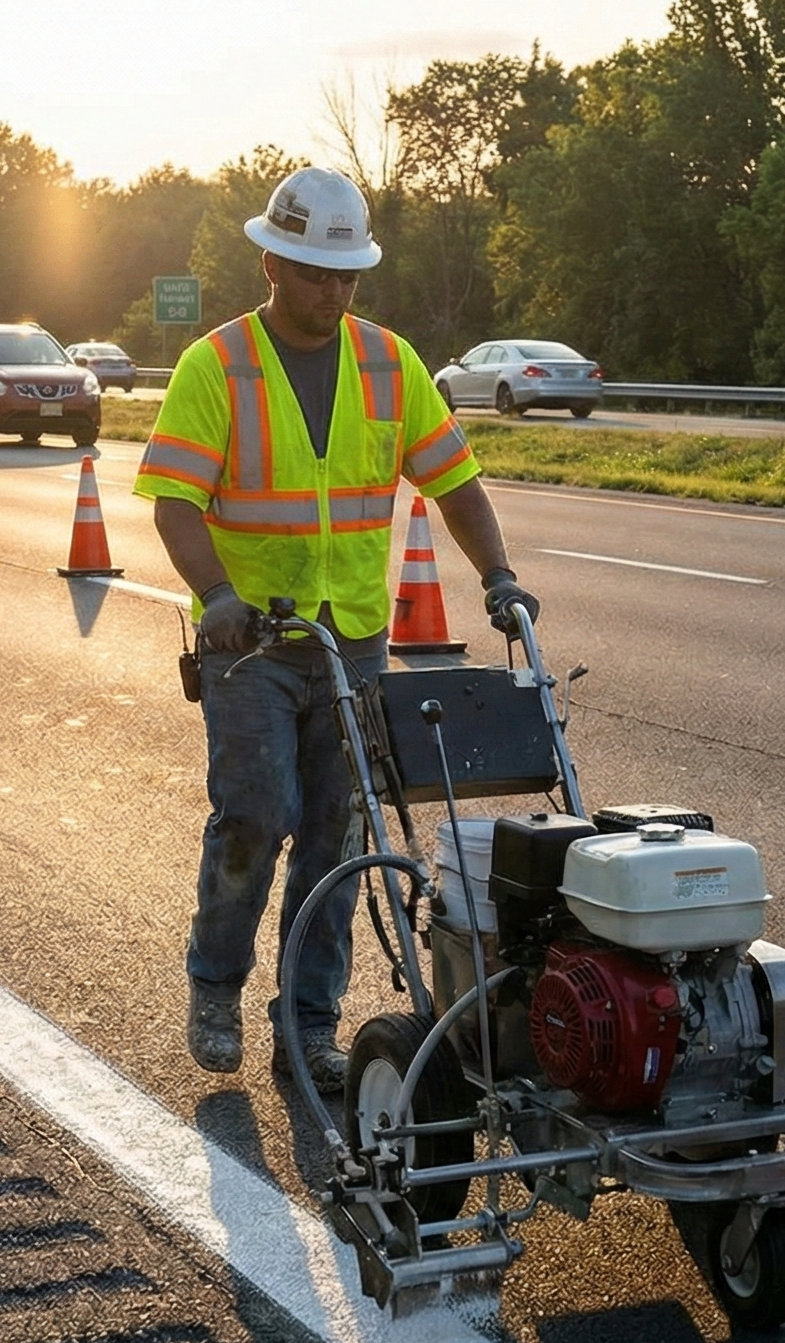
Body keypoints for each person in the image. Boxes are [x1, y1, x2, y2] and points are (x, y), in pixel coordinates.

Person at [133, 166, 538, 1093]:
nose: (335, 290)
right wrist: (217, 593)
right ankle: (214, 984)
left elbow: (455, 482)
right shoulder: (217, 365)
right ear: (272, 261)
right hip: (252, 644)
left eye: (348, 274)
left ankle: (308, 1023)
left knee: (341, 835)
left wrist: (501, 576)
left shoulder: (391, 364)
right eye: (318, 272)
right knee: (258, 814)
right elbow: (174, 505)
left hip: (352, 638)